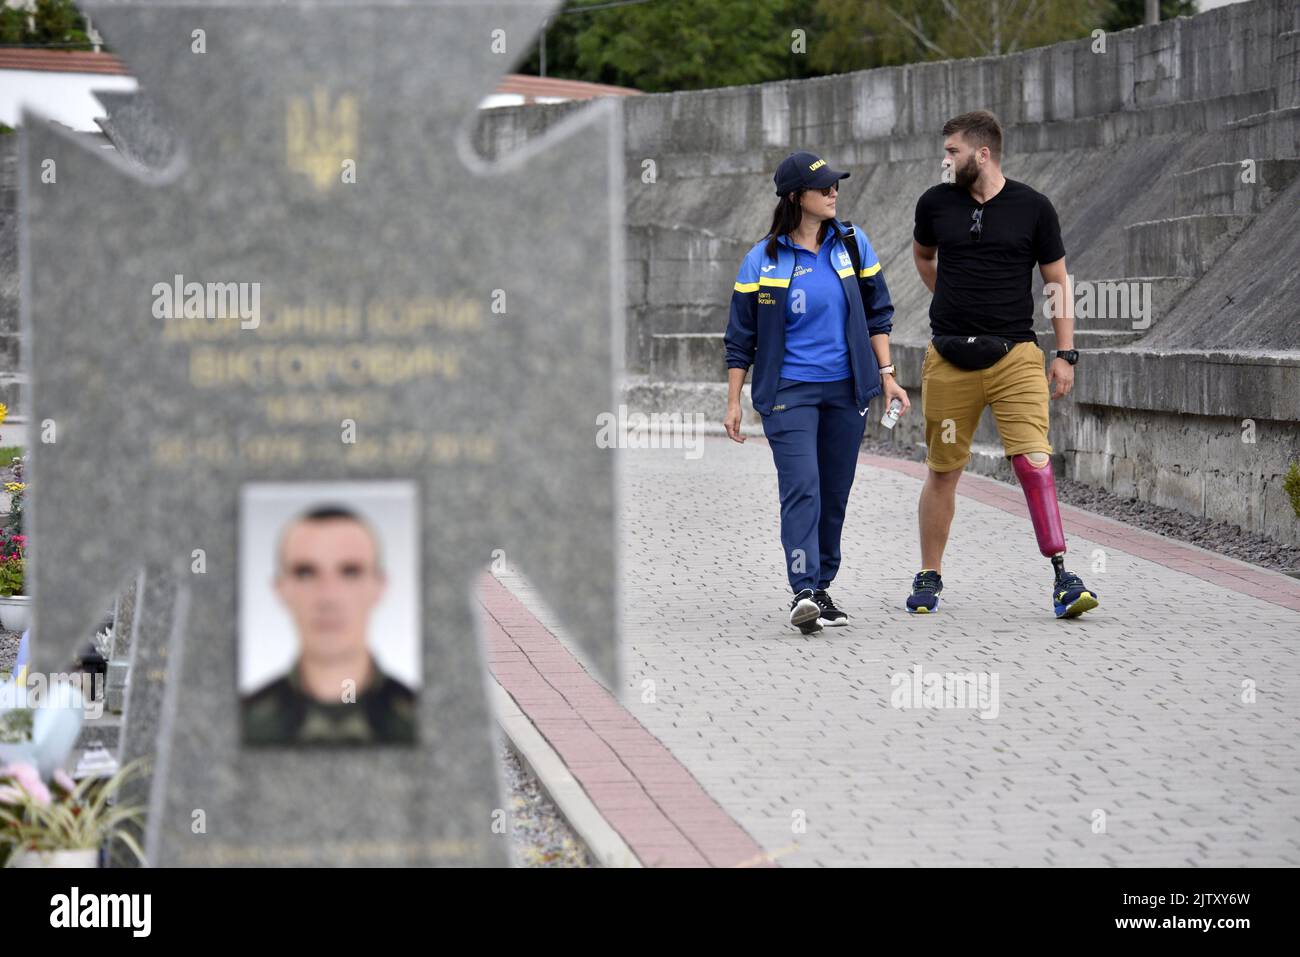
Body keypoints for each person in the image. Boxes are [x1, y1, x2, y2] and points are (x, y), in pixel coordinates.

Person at [909, 110, 1099, 619]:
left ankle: (1063, 576)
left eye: (952, 151)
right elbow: (924, 256)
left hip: (1015, 354)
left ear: (982, 153)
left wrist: (1065, 354)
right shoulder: (934, 203)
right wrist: (948, 298)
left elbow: (1057, 281)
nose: (945, 159)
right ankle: (930, 574)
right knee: (944, 469)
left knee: (1033, 461)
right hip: (949, 357)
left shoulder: (1033, 207)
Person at [724, 151, 908, 634]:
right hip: (788, 393)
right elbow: (740, 338)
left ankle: (822, 586)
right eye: (823, 186)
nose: (833, 192)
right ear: (794, 197)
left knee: (834, 492)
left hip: (847, 392)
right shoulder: (762, 259)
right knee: (802, 487)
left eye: (835, 185)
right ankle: (802, 588)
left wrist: (887, 375)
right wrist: (733, 402)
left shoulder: (852, 244)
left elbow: (877, 312)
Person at [242, 504, 417, 745]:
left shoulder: (423, 720)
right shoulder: (243, 723)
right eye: (305, 573)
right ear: (280, 589)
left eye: (350, 572)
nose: (328, 596)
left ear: (380, 586)